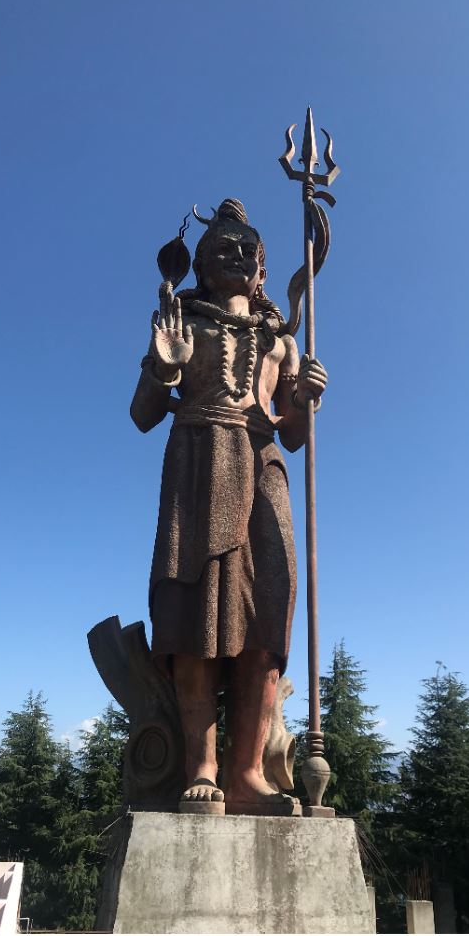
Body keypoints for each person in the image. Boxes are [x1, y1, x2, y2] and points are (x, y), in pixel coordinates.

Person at [130, 199, 327, 814]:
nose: (236, 256)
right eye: (222, 247)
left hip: (263, 459)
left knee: (272, 604)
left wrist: (305, 400)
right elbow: (141, 414)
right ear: (202, 264)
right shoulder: (179, 320)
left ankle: (247, 772)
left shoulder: (280, 338)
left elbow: (292, 432)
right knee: (198, 605)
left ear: (264, 269)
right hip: (198, 454)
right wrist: (163, 371)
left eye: (247, 249)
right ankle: (203, 766)